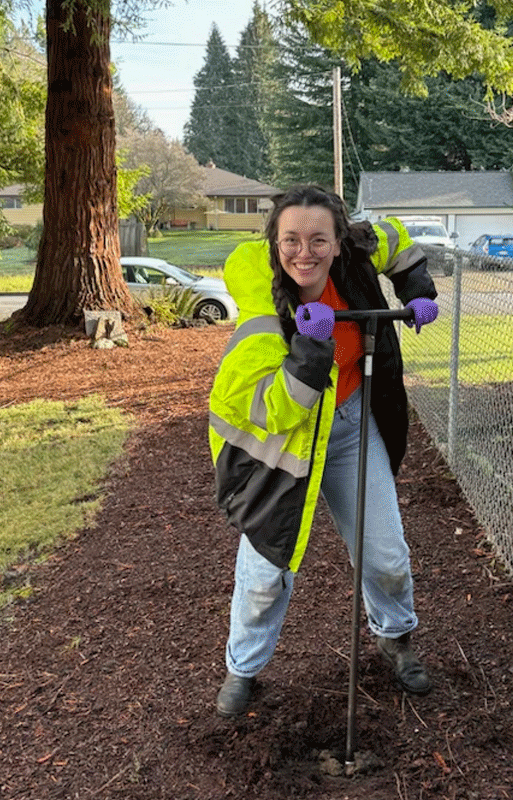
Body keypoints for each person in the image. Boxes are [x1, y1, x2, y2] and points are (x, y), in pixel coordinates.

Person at [208, 185, 439, 717]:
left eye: (318, 239)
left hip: (353, 426)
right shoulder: (262, 304)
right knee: (267, 574)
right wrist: (310, 351)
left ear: (340, 242)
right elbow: (273, 409)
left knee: (386, 557)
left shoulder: (356, 249)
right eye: (290, 240)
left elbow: (396, 237)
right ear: (273, 243)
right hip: (282, 445)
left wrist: (416, 285)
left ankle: (394, 636)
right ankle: (242, 668)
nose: (304, 253)